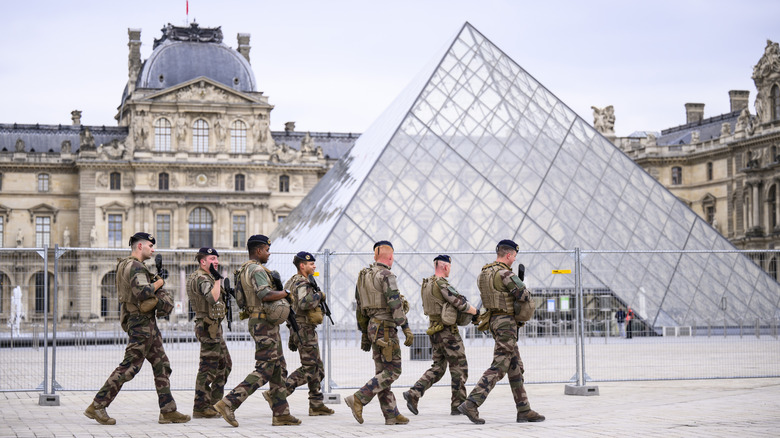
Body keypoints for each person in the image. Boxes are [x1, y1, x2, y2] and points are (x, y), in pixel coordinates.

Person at [85, 232, 190, 425]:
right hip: (141, 324)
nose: (153, 249)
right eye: (151, 245)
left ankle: (168, 410)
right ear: (140, 246)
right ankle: (97, 405)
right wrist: (159, 282)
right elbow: (142, 292)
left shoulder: (128, 264)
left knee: (162, 364)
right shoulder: (134, 266)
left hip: (146, 323)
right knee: (130, 367)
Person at [213, 235, 301, 427]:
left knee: (279, 368)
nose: (269, 254)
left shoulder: (243, 269)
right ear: (259, 250)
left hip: (259, 321)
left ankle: (281, 413)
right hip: (264, 324)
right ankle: (229, 402)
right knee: (265, 368)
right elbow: (265, 294)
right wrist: (286, 294)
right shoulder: (258, 270)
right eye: (267, 250)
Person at [458, 239, 545, 424]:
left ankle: (524, 409)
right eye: (514, 256)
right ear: (508, 255)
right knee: (499, 365)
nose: (514, 260)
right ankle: (472, 402)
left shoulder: (484, 273)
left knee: (514, 366)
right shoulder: (505, 273)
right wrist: (522, 284)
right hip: (506, 323)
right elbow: (523, 295)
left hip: (494, 321)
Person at [345, 240, 414, 425]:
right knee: (393, 370)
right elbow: (394, 303)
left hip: (372, 328)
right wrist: (405, 327)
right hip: (385, 329)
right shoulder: (386, 275)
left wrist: (364, 334)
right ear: (390, 257)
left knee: (381, 372)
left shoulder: (364, 276)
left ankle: (391, 413)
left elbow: (359, 307)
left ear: (375, 255)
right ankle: (359, 398)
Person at [403, 255, 477, 416]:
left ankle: (414, 393)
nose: (450, 269)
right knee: (459, 367)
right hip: (447, 332)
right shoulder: (441, 283)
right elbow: (460, 303)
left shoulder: (427, 284)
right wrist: (476, 312)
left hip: (434, 329)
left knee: (438, 367)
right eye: (449, 266)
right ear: (444, 266)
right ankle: (458, 405)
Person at [265, 251, 334, 416]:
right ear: (302, 266)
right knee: (311, 368)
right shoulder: (302, 283)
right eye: (311, 264)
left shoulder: (291, 281)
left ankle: (316, 403)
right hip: (304, 329)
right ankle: (277, 395)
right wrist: (319, 295)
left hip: (299, 328)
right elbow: (304, 303)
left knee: (319, 368)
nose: (314, 266)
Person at [186, 247, 232, 418]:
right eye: (212, 258)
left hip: (213, 327)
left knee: (225, 364)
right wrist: (218, 279)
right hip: (207, 327)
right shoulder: (202, 278)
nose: (216, 262)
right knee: (208, 367)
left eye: (217, 259)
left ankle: (214, 404)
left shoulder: (205, 276)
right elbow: (212, 298)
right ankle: (201, 407)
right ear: (202, 261)